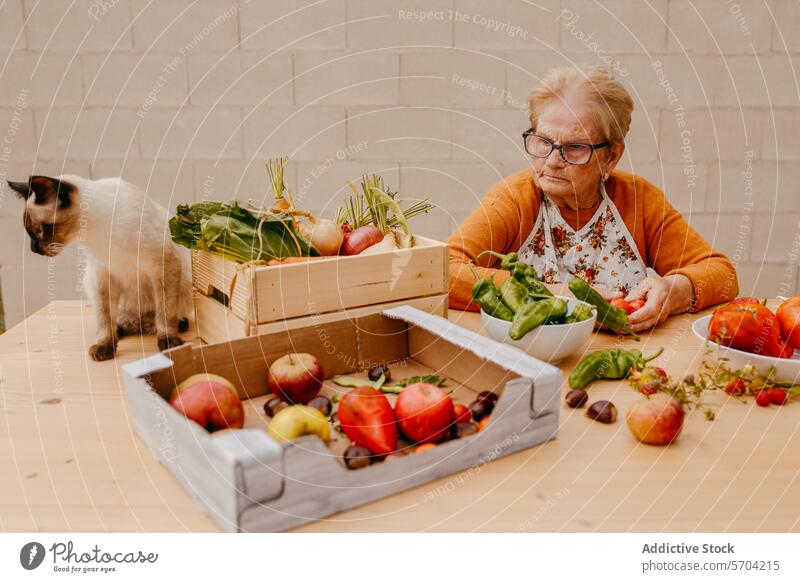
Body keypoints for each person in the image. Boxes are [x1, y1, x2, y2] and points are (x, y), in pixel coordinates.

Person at [447, 66, 738, 332]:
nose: (551, 162)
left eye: (574, 148)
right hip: (534, 356)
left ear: (611, 156)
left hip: (620, 359)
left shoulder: (638, 200)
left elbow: (723, 275)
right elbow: (443, 270)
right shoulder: (513, 198)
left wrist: (673, 291)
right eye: (543, 142)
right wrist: (548, 294)